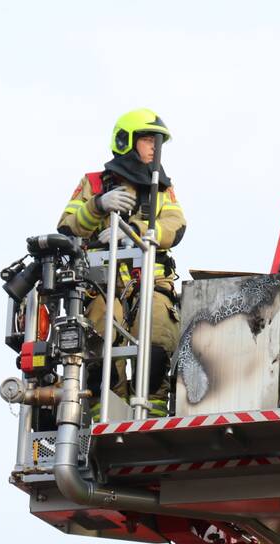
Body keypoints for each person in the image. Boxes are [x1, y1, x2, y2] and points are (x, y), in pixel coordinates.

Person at [57, 108, 185, 417]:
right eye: (147, 140)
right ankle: (105, 413)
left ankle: (151, 413)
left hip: (150, 286)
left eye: (158, 142)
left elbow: (176, 225)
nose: (154, 148)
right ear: (126, 141)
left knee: (157, 337)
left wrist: (138, 232)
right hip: (102, 287)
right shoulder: (93, 183)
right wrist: (98, 205)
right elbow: (67, 225)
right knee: (100, 342)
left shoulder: (163, 189)